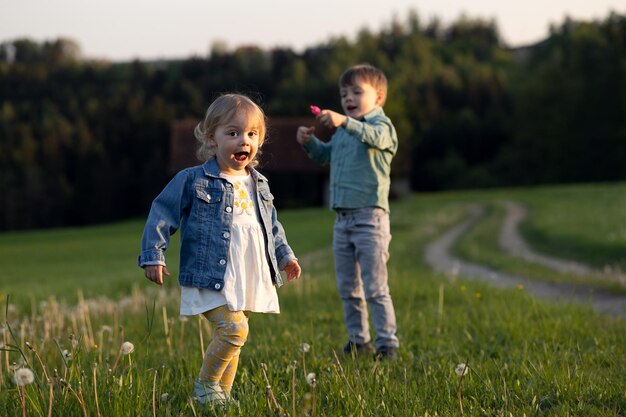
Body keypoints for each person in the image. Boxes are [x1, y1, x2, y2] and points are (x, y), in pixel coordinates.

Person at [138, 93, 302, 406]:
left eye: (252, 134)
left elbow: (271, 226)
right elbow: (162, 212)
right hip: (211, 273)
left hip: (249, 273)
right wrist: (153, 255)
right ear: (212, 138)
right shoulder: (193, 180)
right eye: (233, 133)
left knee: (236, 339)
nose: (244, 140)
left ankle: (220, 399)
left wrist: (285, 256)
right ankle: (206, 387)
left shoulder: (259, 183)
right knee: (234, 330)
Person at [296, 63, 399, 360]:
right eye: (344, 93)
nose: (348, 98)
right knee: (348, 287)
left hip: (370, 219)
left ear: (378, 98)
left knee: (375, 287)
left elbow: (373, 138)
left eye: (357, 91)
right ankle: (358, 340)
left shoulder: (382, 127)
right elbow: (324, 156)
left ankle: (387, 343)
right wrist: (309, 142)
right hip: (342, 221)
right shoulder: (343, 133)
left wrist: (344, 121)